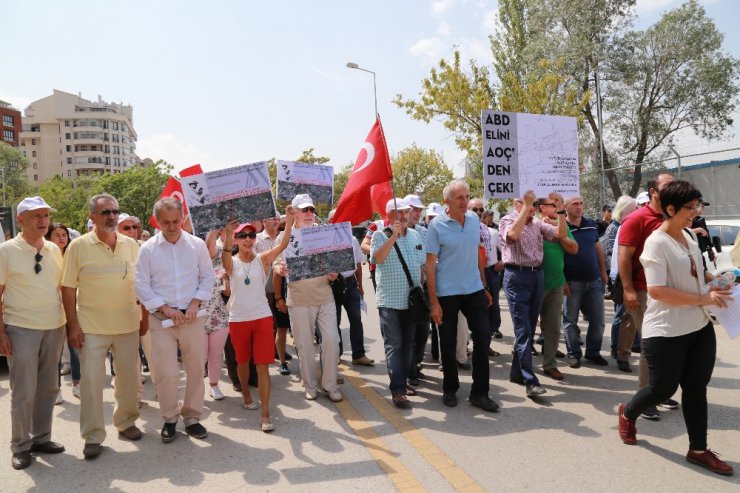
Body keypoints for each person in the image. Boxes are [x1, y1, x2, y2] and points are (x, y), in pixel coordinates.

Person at [618, 180, 734, 476]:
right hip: (666, 331)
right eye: (690, 207)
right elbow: (656, 291)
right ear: (670, 209)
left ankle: (698, 449)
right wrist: (703, 297)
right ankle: (628, 412)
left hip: (698, 326)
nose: (696, 212)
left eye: (698, 206)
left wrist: (722, 281)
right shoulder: (655, 243)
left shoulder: (687, 235)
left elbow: (699, 272)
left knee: (696, 389)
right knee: (661, 388)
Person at [62, 194, 144, 460]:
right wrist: (72, 326)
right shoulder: (78, 247)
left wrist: (142, 316)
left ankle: (126, 422)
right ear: (92, 217)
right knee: (91, 384)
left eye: (115, 211)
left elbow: (142, 284)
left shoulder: (131, 245)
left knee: (129, 380)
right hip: (91, 327)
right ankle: (93, 435)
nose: (111, 216)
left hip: (127, 324)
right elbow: (68, 288)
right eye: (105, 212)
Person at [134, 198, 214, 443]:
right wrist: (166, 308)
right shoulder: (147, 248)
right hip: (162, 319)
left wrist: (194, 303)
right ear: (158, 221)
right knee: (166, 373)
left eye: (176, 221)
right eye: (166, 222)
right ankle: (169, 418)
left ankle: (191, 417)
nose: (172, 226)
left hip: (192, 317)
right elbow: (141, 284)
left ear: (182, 218)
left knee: (194, 368)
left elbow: (207, 277)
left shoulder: (196, 245)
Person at [0, 197, 67, 470]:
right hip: (21, 328)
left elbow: (60, 288)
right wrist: (1, 333)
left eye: (45, 216)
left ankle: (41, 438)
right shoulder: (6, 250)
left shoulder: (54, 249)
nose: (43, 221)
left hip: (54, 326)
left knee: (49, 388)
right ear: (20, 220)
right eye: (36, 216)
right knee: (23, 391)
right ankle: (20, 445)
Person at [426, 180, 499, 412]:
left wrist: (484, 286)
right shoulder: (436, 226)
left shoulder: (474, 220)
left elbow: (478, 253)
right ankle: (450, 388)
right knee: (447, 343)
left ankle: (480, 393)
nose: (464, 201)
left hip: (473, 289)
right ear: (447, 200)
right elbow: (429, 267)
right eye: (459, 197)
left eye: (466, 196)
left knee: (483, 336)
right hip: (447, 292)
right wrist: (434, 302)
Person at [222, 207, 295, 432]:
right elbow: (225, 258)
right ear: (236, 239)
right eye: (242, 235)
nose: (248, 239)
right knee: (242, 362)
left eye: (252, 235)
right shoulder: (231, 262)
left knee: (263, 365)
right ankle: (245, 392)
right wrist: (226, 234)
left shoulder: (263, 259)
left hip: (262, 318)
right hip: (238, 319)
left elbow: (282, 245)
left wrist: (289, 221)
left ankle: (265, 413)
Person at [618, 173, 677, 421]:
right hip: (643, 291)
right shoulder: (636, 219)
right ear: (653, 192)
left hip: (668, 291)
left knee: (669, 344)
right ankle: (644, 398)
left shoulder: (672, 217)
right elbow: (623, 257)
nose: (673, 189)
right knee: (651, 346)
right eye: (668, 186)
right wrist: (629, 289)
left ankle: (659, 392)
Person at [274, 194, 342, 402]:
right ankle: (310, 384)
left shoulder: (324, 234)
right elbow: (276, 263)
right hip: (299, 299)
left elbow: (335, 264)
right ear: (294, 213)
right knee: (304, 344)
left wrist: (334, 273)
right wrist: (280, 269)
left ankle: (330, 384)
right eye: (305, 210)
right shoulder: (284, 237)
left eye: (312, 210)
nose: (310, 214)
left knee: (332, 339)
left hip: (324, 296)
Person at [499, 190, 567, 397]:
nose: (531, 207)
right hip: (516, 276)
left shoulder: (537, 223)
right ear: (515, 203)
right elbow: (512, 236)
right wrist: (526, 209)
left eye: (533, 204)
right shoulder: (506, 219)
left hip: (537, 276)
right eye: (524, 202)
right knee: (523, 329)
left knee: (528, 327)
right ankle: (531, 380)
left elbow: (560, 235)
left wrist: (561, 211)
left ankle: (516, 372)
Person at [370, 199, 425, 407]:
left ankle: (402, 380)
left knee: (408, 343)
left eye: (405, 212)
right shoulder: (379, 235)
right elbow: (377, 258)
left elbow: (420, 265)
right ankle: (398, 389)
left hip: (411, 300)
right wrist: (393, 236)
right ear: (389, 215)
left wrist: (421, 286)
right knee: (394, 344)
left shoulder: (415, 235)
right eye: (398, 212)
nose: (403, 216)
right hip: (390, 301)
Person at [562, 196, 609, 368]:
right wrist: (562, 280)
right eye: (575, 204)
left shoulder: (591, 223)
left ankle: (593, 352)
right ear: (565, 207)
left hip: (594, 280)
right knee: (570, 320)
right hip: (572, 281)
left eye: (581, 203)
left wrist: (603, 272)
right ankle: (573, 353)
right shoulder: (561, 226)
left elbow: (597, 247)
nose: (579, 207)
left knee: (598, 320)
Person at [537, 193, 578, 380]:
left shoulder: (562, 226)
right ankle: (521, 364)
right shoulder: (534, 224)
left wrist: (558, 233)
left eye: (557, 205)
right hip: (534, 284)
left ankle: (549, 364)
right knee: (527, 326)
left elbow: (573, 248)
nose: (556, 208)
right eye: (552, 205)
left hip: (555, 284)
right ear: (542, 208)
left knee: (553, 327)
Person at [327, 209, 374, 368]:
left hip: (351, 283)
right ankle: (336, 355)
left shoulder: (352, 239)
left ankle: (358, 354)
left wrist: (360, 286)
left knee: (356, 319)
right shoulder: (325, 240)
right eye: (336, 219)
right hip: (333, 286)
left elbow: (358, 264)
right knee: (335, 322)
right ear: (330, 221)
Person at [46, 223, 80, 402]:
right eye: (57, 234)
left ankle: (78, 383)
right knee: (55, 352)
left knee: (76, 347)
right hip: (52, 309)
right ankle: (55, 389)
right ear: (49, 237)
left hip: (73, 308)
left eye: (64, 234)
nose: (61, 237)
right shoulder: (44, 256)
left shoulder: (73, 254)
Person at [603, 196, 638, 371]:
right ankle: (616, 348)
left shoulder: (625, 225)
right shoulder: (614, 228)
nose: (636, 212)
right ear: (623, 210)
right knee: (621, 315)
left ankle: (621, 348)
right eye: (633, 210)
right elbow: (610, 253)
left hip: (623, 276)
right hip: (619, 277)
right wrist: (613, 278)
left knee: (626, 315)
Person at [256, 215, 294, 375]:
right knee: (266, 325)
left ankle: (279, 352)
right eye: (272, 218)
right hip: (262, 289)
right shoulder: (256, 239)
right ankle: (266, 353)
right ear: (264, 221)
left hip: (280, 287)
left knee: (280, 325)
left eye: (278, 218)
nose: (276, 221)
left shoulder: (283, 238)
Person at [203, 228, 231, 400]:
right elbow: (209, 245)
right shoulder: (195, 261)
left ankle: (214, 385)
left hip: (218, 315)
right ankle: (196, 387)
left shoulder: (221, 263)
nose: (213, 252)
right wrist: (213, 227)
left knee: (216, 353)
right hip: (197, 316)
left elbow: (226, 292)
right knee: (199, 356)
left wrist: (227, 280)